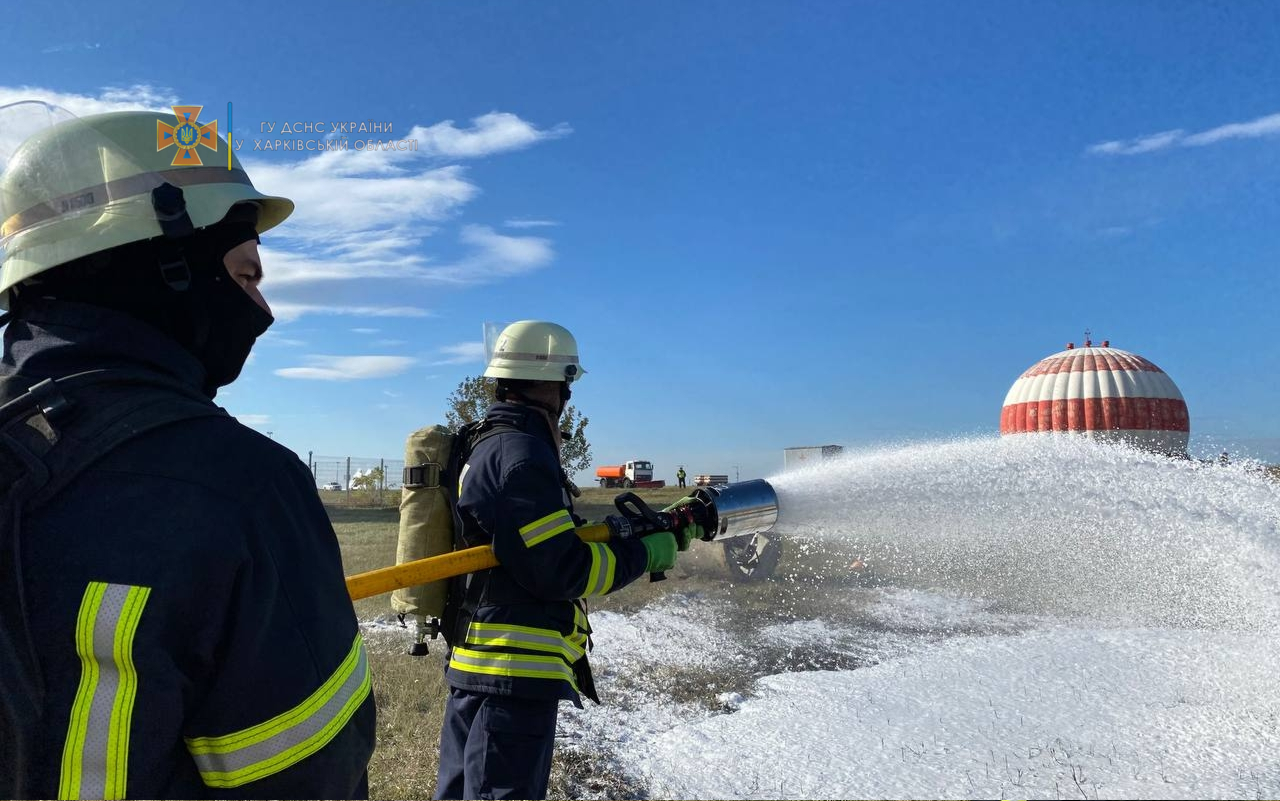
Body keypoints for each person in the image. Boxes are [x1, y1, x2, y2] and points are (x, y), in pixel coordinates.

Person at [0, 107, 375, 798]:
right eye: (245, 274)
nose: (263, 309)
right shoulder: (240, 488)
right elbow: (311, 778)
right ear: (167, 261)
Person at [434, 320, 694, 800]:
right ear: (555, 384)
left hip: (483, 659)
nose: (567, 397)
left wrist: (633, 531)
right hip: (511, 670)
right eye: (566, 384)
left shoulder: (488, 442)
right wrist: (643, 554)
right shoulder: (522, 456)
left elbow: (531, 542)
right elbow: (562, 568)